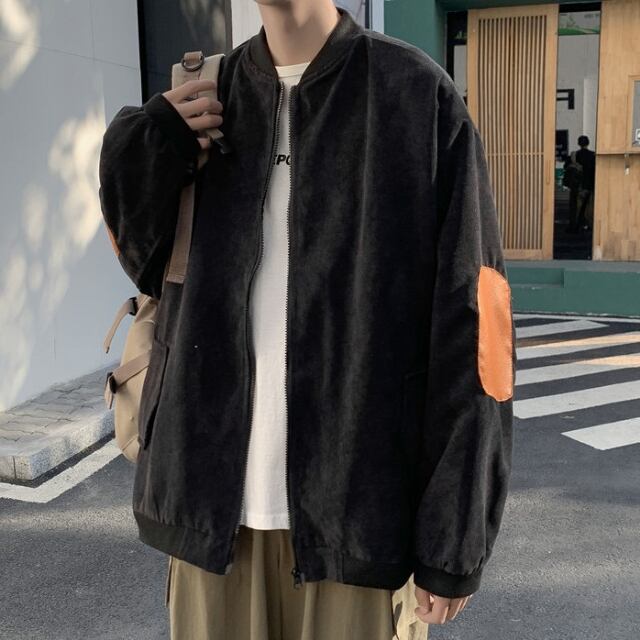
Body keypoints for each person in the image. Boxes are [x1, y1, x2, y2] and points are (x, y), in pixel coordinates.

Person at [98, 1, 515, 638]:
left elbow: (478, 325)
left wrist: (453, 536)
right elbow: (142, 263)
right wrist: (156, 143)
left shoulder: (414, 97)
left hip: (363, 529)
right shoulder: (202, 100)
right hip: (212, 524)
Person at [564, 135, 595, 233]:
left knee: (575, 208)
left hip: (576, 186)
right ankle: (588, 226)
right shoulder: (593, 155)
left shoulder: (574, 155)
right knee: (588, 209)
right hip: (589, 186)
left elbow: (566, 167)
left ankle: (574, 227)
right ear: (588, 143)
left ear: (578, 143)